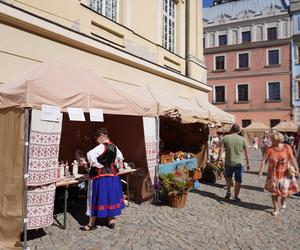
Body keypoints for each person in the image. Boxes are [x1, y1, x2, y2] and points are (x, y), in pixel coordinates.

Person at [80, 128, 125, 230]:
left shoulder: (100, 147)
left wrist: (96, 165)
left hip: (101, 178)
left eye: (97, 139)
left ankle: (91, 224)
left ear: (101, 137)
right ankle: (111, 220)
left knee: (95, 198)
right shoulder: (114, 147)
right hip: (113, 177)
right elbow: (120, 158)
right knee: (110, 198)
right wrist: (117, 167)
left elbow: (90, 155)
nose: (97, 141)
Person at [258, 132, 299, 216]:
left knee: (284, 192)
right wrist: (260, 171)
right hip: (273, 175)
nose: (270, 141)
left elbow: (292, 159)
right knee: (274, 192)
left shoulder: (287, 147)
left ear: (278, 140)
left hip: (285, 173)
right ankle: (275, 208)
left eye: (272, 139)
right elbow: (264, 161)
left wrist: (297, 169)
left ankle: (283, 201)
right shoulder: (270, 149)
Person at [218, 123, 250, 202]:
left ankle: (228, 191)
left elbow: (221, 150)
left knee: (228, 177)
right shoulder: (243, 139)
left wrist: (219, 159)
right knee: (238, 180)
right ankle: (236, 196)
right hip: (239, 163)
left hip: (228, 162)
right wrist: (248, 163)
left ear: (231, 129)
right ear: (239, 131)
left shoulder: (225, 138)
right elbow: (247, 153)